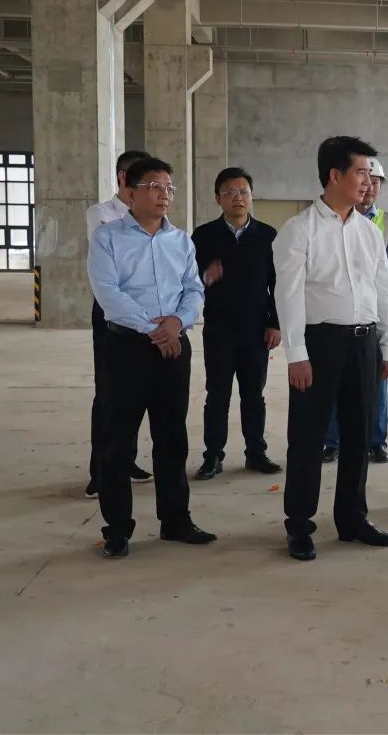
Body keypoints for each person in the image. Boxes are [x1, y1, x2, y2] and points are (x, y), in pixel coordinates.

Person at [274, 136, 388, 562]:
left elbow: (381, 290)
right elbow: (288, 295)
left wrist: (387, 346)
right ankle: (299, 525)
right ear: (334, 175)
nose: (368, 182)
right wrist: (296, 354)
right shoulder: (299, 230)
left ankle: (352, 519)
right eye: (361, 172)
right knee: (308, 437)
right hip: (319, 345)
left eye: (370, 174)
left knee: (359, 435)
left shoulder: (369, 232)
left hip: (364, 345)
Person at [87, 157, 216, 559]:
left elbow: (194, 289)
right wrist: (154, 330)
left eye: (169, 188)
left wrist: (177, 323)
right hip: (126, 348)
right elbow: (108, 293)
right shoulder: (107, 238)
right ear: (131, 192)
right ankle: (117, 529)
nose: (164, 195)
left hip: (174, 348)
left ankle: (175, 520)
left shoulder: (181, 241)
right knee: (117, 442)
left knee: (172, 438)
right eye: (155, 187)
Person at [192, 167, 283, 481]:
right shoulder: (203, 236)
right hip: (219, 329)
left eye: (243, 192)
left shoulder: (267, 236)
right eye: (229, 192)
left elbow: (278, 284)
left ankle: (256, 452)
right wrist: (205, 277)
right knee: (217, 395)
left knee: (253, 395)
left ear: (251, 196)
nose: (238, 198)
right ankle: (212, 456)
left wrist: (275, 323)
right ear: (218, 198)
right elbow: (188, 280)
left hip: (257, 330)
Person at [322, 157, 388, 465]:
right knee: (333, 382)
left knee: (377, 380)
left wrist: (370, 286)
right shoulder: (332, 218)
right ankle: (331, 441)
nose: (369, 186)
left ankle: (376, 441)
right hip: (338, 311)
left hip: (372, 309)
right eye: (365, 179)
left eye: (376, 181)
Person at [85, 149, 152, 498]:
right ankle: (100, 470)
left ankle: (127, 460)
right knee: (108, 393)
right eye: (146, 182)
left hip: (148, 314)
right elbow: (118, 267)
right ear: (124, 179)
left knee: (138, 391)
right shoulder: (101, 215)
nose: (154, 190)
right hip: (111, 314)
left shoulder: (151, 216)